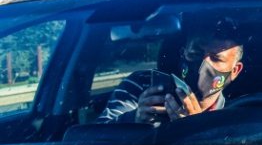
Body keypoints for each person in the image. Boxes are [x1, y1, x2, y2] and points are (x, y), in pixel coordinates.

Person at [97, 17, 244, 125]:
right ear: (183, 54)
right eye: (195, 53)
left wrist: (196, 128)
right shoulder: (141, 85)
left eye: (216, 59)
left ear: (235, 71)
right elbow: (95, 138)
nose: (203, 65)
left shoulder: (237, 116)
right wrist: (133, 119)